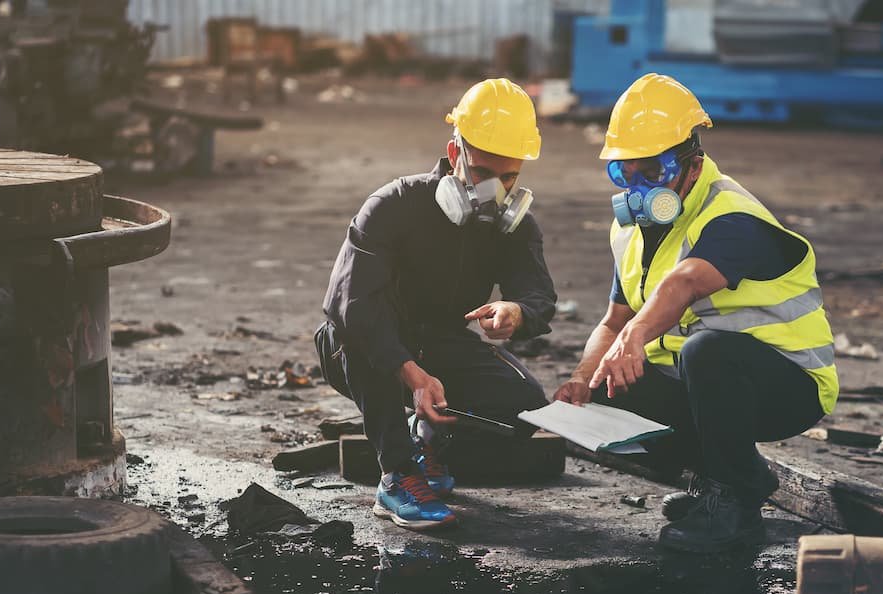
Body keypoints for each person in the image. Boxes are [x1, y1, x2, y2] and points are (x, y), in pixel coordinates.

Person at [554, 73, 838, 554]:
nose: (640, 189)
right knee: (609, 384)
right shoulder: (629, 233)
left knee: (707, 351)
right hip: (713, 387)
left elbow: (685, 281)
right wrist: (583, 379)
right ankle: (716, 481)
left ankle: (737, 507)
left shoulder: (731, 213)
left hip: (788, 386)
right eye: (626, 174)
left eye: (656, 172)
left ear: (693, 164)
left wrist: (636, 337)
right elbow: (613, 320)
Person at [315, 79, 555, 531]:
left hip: (439, 345)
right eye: (483, 174)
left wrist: (518, 312)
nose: (495, 192)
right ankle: (397, 477)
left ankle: (425, 438)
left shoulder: (513, 227)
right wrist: (410, 372)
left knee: (523, 406)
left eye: (509, 178)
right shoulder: (392, 205)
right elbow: (351, 305)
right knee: (364, 336)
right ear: (454, 153)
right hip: (362, 346)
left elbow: (538, 292)